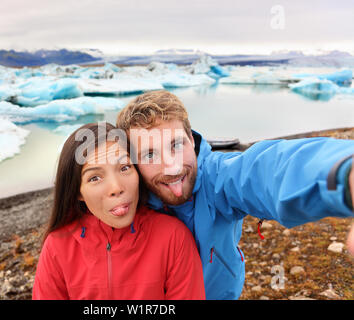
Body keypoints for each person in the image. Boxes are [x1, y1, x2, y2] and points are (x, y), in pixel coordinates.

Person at [116, 90, 354, 300]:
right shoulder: (127, 199)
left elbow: (265, 171)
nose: (172, 167)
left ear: (191, 140)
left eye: (176, 145)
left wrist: (341, 173)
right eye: (149, 155)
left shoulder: (215, 177)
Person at [32, 122, 205, 300]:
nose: (116, 188)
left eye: (124, 168)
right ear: (77, 192)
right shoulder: (57, 247)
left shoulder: (173, 238)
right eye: (95, 178)